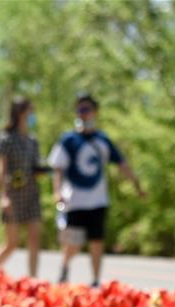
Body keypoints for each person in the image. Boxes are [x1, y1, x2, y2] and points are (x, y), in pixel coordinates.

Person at [48, 93, 144, 287]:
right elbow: (57, 168)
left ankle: (95, 280)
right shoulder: (68, 140)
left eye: (87, 109)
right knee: (73, 244)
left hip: (98, 201)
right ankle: (65, 268)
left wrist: (136, 184)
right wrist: (57, 192)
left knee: (96, 242)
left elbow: (122, 163)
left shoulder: (103, 140)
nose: (83, 114)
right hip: (74, 200)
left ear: (95, 112)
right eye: (79, 110)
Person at [0, 96, 46, 277]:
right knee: (12, 243)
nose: (33, 115)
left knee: (34, 239)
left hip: (31, 194)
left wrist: (43, 170)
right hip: (13, 194)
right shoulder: (6, 139)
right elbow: (0, 167)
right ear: (21, 113)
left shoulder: (33, 140)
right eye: (30, 111)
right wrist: (3, 196)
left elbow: (34, 166)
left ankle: (33, 280)